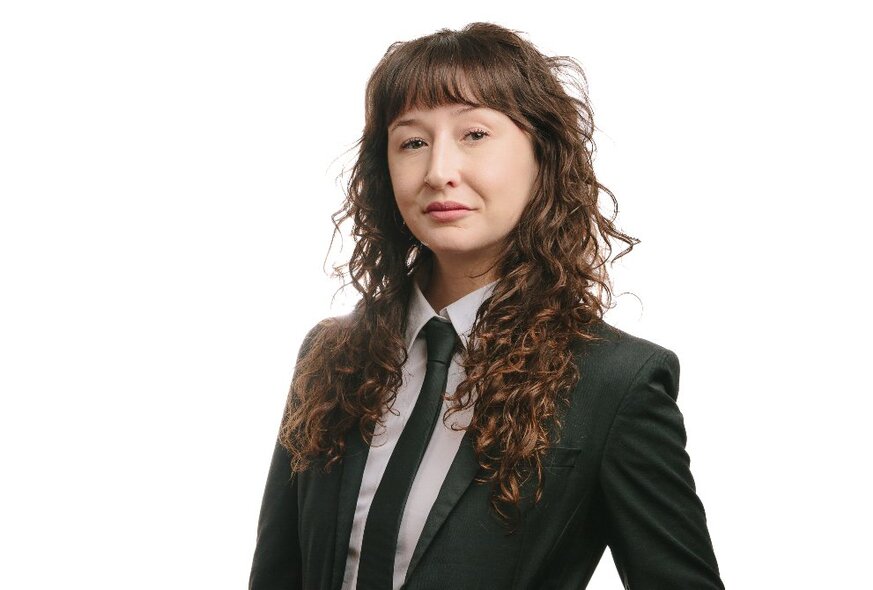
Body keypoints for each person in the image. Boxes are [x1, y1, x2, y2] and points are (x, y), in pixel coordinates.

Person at [249, 22, 725, 590]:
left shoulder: (615, 383)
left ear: (542, 158)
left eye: (474, 134)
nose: (439, 171)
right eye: (412, 142)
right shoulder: (330, 355)